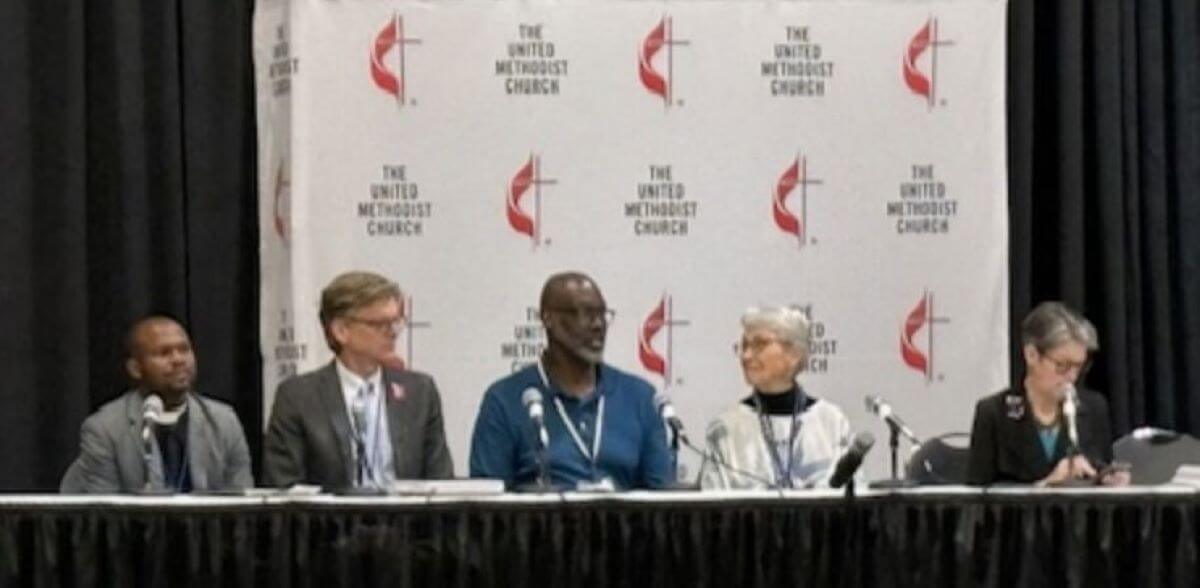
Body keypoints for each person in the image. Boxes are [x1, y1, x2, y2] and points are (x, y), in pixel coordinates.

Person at [469, 271, 673, 490]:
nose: (598, 325)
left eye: (602, 314)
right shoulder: (505, 400)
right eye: (585, 313)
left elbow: (662, 497)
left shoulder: (640, 398)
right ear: (548, 319)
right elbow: (486, 503)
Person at [262, 271, 453, 489]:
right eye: (380, 324)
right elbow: (284, 489)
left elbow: (440, 484)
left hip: (406, 521)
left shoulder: (420, 393)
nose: (392, 333)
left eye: (396, 322)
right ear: (341, 331)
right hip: (329, 521)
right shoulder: (298, 398)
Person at [60, 315, 253, 493]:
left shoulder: (224, 421)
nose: (178, 360)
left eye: (184, 349)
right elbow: (104, 516)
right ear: (135, 368)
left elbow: (242, 505)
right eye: (164, 353)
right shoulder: (104, 429)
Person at [967, 301, 1130, 486]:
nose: (1072, 377)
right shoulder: (994, 413)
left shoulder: (1094, 408)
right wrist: (1046, 485)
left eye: (1079, 366)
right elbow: (976, 502)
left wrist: (1109, 481)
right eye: (1062, 366)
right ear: (1031, 355)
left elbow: (1101, 471)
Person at [699, 305, 853, 490]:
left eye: (759, 344)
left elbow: (852, 498)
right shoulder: (726, 428)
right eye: (745, 345)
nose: (746, 355)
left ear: (794, 354)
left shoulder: (830, 421)